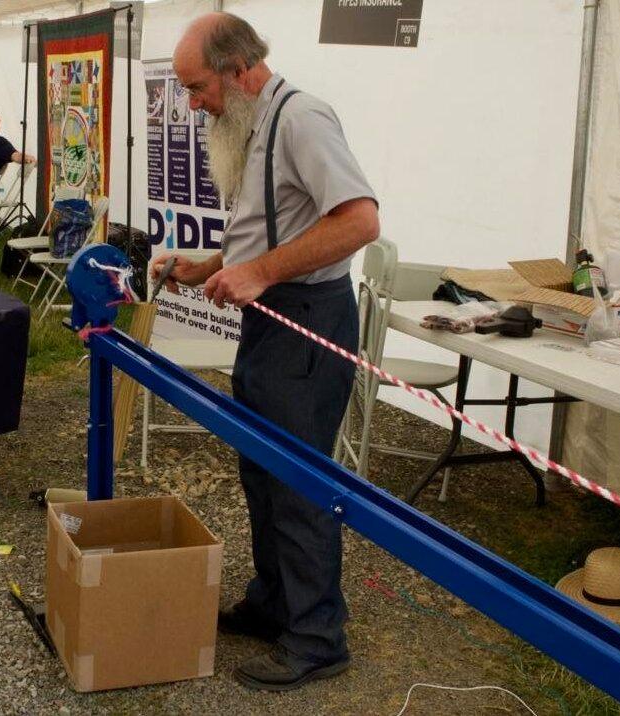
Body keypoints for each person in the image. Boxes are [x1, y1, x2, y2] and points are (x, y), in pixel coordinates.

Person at [152, 13, 380, 691]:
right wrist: (216, 263)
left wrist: (263, 273)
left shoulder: (303, 118)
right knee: (260, 469)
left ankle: (317, 638)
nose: (194, 104)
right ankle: (274, 601)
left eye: (198, 88)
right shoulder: (250, 124)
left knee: (299, 484)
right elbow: (278, 227)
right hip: (269, 319)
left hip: (308, 320)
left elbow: (360, 219)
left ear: (240, 70)